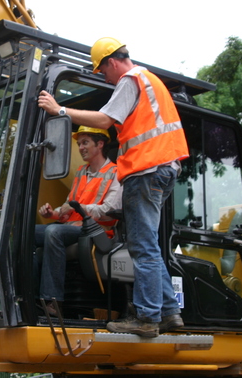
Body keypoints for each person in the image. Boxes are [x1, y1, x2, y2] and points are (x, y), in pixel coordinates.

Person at [38, 37, 189, 337]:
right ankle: (170, 313)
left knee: (142, 247)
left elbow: (106, 119)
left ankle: (146, 318)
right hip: (161, 169)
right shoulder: (150, 82)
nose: (103, 77)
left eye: (101, 70)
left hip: (146, 170)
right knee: (149, 247)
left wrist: (60, 111)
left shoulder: (131, 79)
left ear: (112, 61)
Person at [35, 126, 122, 315]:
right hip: (72, 228)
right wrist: (54, 214)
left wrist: (78, 209)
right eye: (79, 143)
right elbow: (68, 206)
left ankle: (53, 300)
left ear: (100, 144)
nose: (81, 147)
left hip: (96, 231)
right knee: (26, 232)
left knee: (53, 232)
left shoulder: (115, 173)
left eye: (85, 143)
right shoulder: (81, 172)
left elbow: (109, 210)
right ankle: (28, 295)